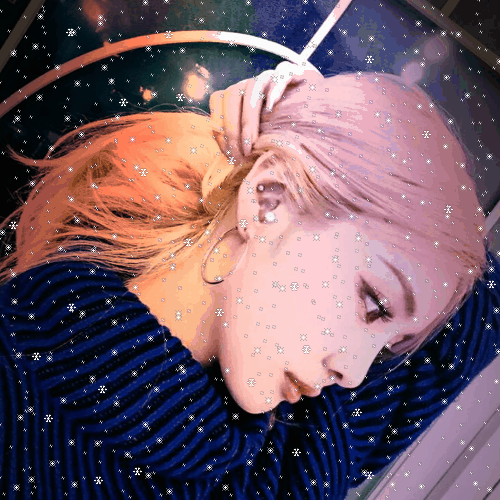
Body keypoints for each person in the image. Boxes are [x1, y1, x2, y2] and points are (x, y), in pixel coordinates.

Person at [0, 61, 498, 499]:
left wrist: (317, 112)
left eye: (389, 344)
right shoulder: (17, 402)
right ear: (267, 201)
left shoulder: (307, 444)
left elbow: (483, 306)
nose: (353, 373)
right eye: (373, 304)